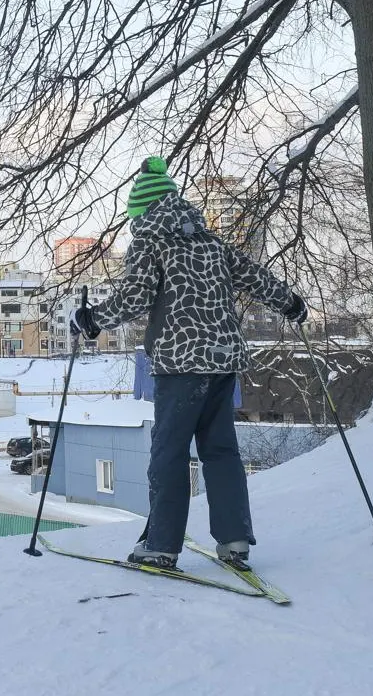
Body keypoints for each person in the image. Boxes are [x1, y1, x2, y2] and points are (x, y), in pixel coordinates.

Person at [73, 156, 306, 571]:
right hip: (223, 362)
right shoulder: (210, 241)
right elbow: (254, 276)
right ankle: (234, 540)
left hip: (181, 365)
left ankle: (161, 545)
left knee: (169, 453)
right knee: (221, 450)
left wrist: (92, 320)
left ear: (142, 210)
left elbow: (135, 297)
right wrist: (291, 304)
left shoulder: (150, 241)